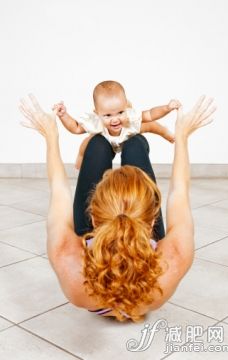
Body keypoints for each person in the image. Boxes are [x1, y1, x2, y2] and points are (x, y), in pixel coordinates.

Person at [19, 94, 216, 322]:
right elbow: (179, 190)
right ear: (153, 222)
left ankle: (104, 146)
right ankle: (132, 146)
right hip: (150, 275)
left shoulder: (67, 259)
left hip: (89, 272)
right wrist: (182, 136)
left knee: (97, 143)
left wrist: (50, 136)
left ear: (92, 218)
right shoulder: (174, 259)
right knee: (134, 143)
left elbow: (58, 188)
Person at [52, 80, 181, 169]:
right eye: (108, 115)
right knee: (87, 142)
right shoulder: (96, 123)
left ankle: (166, 132)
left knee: (150, 125)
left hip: (127, 132)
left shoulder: (129, 117)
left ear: (125, 107)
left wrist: (167, 108)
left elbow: (151, 114)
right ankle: (80, 157)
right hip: (106, 138)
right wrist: (63, 115)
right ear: (97, 113)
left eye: (120, 112)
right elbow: (75, 128)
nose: (115, 120)